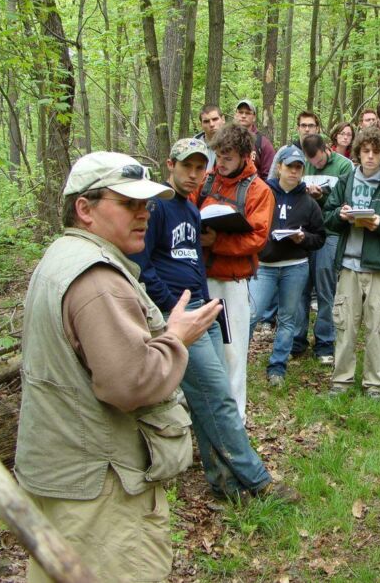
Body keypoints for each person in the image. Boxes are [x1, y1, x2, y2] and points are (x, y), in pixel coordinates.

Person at [15, 152, 222, 582]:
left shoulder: (61, 257)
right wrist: (176, 338)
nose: (143, 214)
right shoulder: (98, 280)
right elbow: (130, 383)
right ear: (85, 209)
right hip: (101, 490)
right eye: (128, 203)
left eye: (145, 204)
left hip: (66, 478)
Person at [130, 138, 297, 504]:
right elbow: (143, 266)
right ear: (169, 164)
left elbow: (193, 260)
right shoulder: (156, 209)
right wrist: (172, 305)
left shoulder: (191, 210)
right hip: (179, 316)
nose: (193, 175)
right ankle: (259, 481)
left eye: (199, 167)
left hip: (204, 307)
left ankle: (223, 482)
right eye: (186, 166)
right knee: (218, 397)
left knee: (211, 396)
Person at [323, 127, 380, 397]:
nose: (370, 156)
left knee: (378, 326)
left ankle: (374, 384)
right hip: (349, 265)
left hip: (379, 266)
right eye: (366, 151)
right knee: (345, 326)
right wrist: (340, 215)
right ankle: (341, 381)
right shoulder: (346, 180)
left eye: (376, 151)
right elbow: (327, 216)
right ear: (358, 152)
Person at [193, 123, 274, 423]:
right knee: (198, 348)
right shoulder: (206, 182)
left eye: (227, 157)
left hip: (233, 283)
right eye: (218, 156)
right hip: (200, 278)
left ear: (243, 156)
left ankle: (234, 419)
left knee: (232, 351)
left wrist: (219, 241)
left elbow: (258, 238)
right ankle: (201, 413)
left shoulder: (258, 190)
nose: (221, 162)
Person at [249, 147, 326, 386]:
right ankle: (236, 360)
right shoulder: (263, 193)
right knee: (252, 314)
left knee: (288, 318)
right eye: (289, 166)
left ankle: (278, 368)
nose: (293, 172)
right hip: (264, 266)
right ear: (279, 166)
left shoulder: (309, 202)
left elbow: (320, 237)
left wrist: (303, 239)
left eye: (298, 167)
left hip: (295, 266)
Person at [291, 134, 354, 363]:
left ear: (327, 149)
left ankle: (325, 343)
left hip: (330, 233)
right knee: (300, 288)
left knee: (326, 288)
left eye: (318, 161)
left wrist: (323, 195)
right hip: (304, 232)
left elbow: (347, 202)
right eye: (312, 162)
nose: (315, 165)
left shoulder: (344, 165)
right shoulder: (302, 162)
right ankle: (297, 340)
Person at [233, 98, 276, 180]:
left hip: (254, 189)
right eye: (241, 112)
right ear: (236, 115)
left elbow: (270, 175)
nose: (243, 116)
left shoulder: (263, 143)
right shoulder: (226, 139)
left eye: (248, 113)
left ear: (254, 117)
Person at [195, 104, 225, 171]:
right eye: (206, 121)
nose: (211, 124)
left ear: (223, 119)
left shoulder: (234, 145)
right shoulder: (192, 148)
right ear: (201, 125)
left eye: (215, 119)